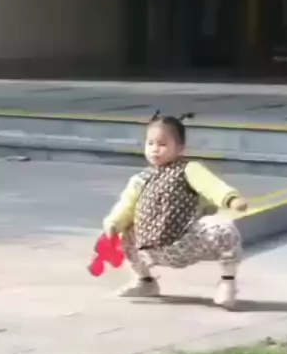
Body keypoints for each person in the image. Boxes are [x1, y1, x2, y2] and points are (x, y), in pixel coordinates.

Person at [102, 112, 248, 310]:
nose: (155, 149)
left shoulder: (189, 169)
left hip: (186, 240)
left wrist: (230, 199)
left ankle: (227, 282)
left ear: (180, 148)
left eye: (162, 144)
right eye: (150, 143)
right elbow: (126, 206)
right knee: (125, 232)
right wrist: (114, 223)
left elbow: (212, 186)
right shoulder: (139, 179)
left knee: (225, 229)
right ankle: (145, 281)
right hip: (153, 247)